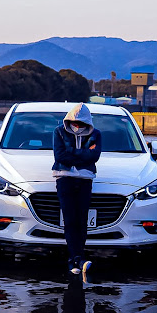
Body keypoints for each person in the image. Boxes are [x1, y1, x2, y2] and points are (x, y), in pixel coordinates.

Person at [52, 103, 102, 276]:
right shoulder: (59, 131)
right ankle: (76, 259)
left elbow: (94, 156)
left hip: (85, 180)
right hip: (64, 179)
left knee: (82, 220)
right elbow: (60, 156)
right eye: (75, 121)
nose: (78, 125)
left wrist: (71, 153)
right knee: (70, 219)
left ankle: (77, 259)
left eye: (81, 122)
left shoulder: (95, 134)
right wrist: (83, 155)